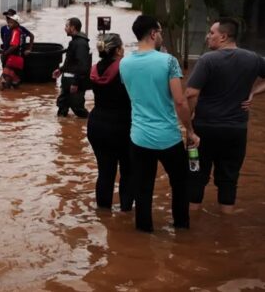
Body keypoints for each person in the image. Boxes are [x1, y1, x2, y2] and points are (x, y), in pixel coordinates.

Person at [119, 14, 199, 233]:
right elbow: (180, 101)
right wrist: (190, 131)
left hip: (139, 137)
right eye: (160, 31)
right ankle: (181, 230)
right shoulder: (168, 61)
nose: (162, 35)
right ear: (153, 34)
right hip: (168, 138)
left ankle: (144, 233)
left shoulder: (124, 63)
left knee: (143, 189)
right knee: (180, 185)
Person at [185, 18, 265, 214]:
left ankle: (189, 229)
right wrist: (254, 92)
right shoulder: (253, 58)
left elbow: (190, 93)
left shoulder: (207, 60)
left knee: (195, 175)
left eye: (211, 33)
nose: (207, 36)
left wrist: (189, 127)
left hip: (204, 130)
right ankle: (227, 227)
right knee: (229, 179)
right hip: (236, 131)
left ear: (223, 36)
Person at [87, 33, 132, 211]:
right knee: (128, 172)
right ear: (119, 50)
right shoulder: (126, 69)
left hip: (97, 124)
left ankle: (104, 214)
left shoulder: (94, 69)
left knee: (105, 173)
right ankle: (126, 213)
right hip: (123, 125)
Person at [53, 17, 91, 118]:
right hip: (67, 81)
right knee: (62, 106)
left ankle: (91, 122)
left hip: (75, 81)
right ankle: (63, 131)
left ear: (73, 28)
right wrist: (61, 70)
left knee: (78, 108)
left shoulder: (81, 43)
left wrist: (75, 83)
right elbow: (71, 62)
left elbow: (82, 66)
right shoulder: (74, 42)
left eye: (67, 26)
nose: (65, 28)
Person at [0, 13, 32, 89]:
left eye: (11, 22)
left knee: (3, 84)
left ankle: (7, 98)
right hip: (20, 60)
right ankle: (14, 98)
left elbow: (14, 45)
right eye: (9, 22)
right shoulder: (21, 31)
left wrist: (5, 53)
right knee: (14, 83)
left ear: (16, 23)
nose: (9, 24)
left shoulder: (15, 32)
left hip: (13, 59)